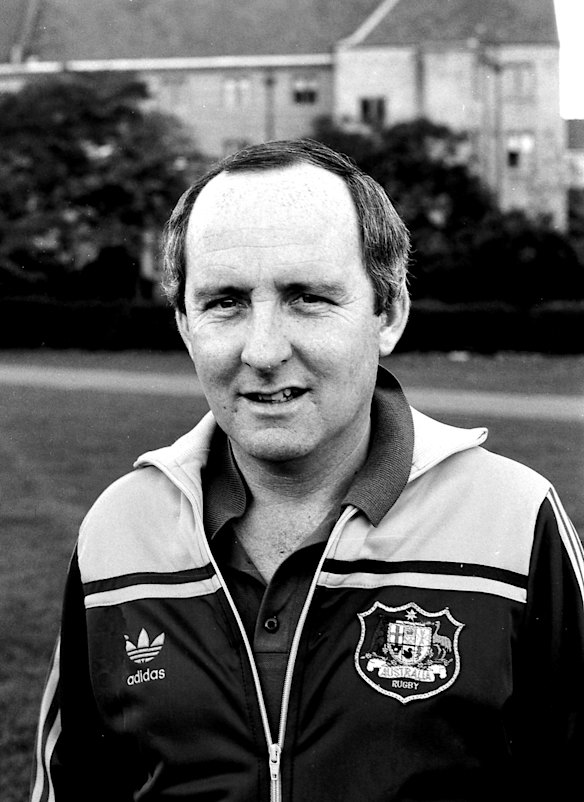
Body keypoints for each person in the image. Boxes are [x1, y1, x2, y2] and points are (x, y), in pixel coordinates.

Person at [31, 139, 584, 802]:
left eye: (309, 298)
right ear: (184, 324)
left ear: (390, 313)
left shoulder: (513, 520)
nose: (263, 350)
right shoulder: (118, 531)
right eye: (226, 302)